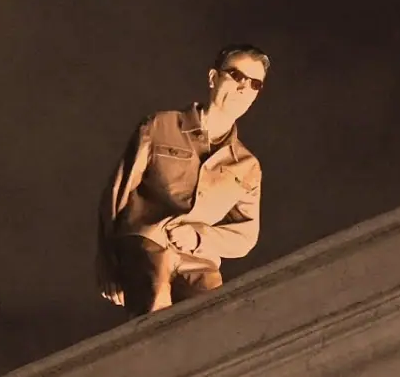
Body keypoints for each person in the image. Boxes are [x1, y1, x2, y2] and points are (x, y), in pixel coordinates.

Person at [95, 44, 269, 317]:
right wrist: (106, 263)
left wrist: (199, 237)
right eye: (236, 75)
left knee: (214, 315)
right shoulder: (159, 126)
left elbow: (245, 235)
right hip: (148, 242)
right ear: (213, 78)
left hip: (199, 258)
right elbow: (118, 194)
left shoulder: (247, 166)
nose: (243, 87)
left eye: (254, 83)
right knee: (156, 302)